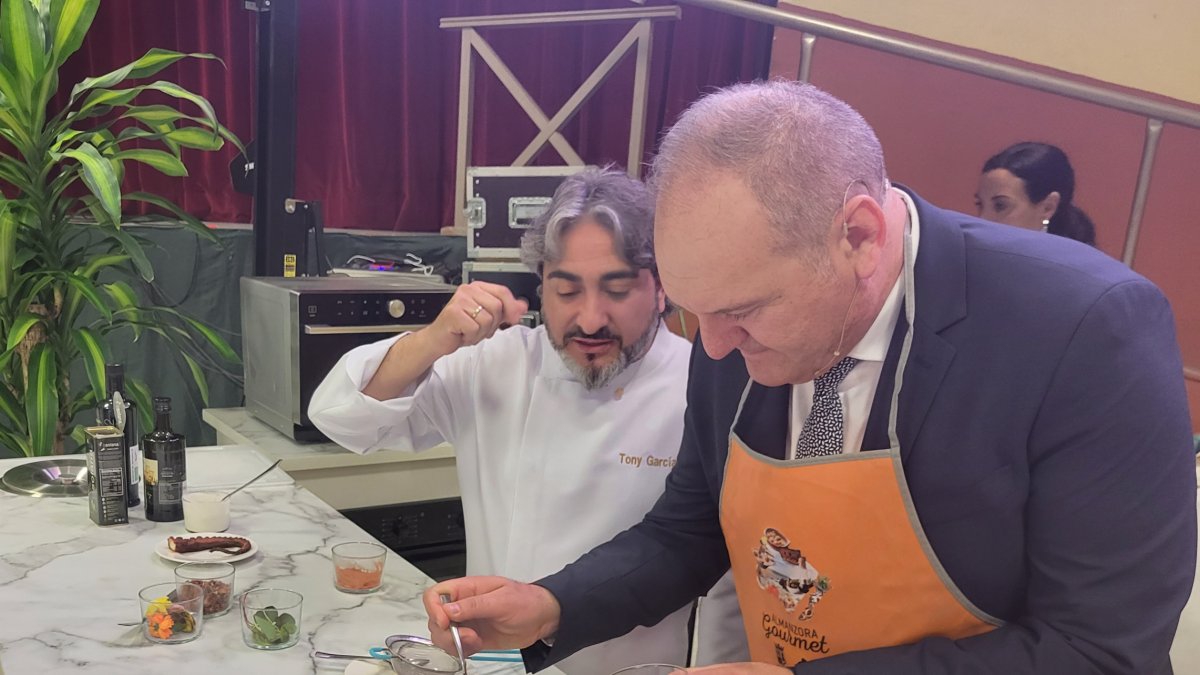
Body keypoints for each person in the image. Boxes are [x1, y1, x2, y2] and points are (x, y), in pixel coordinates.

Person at [422, 81, 1196, 674]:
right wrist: (553, 604)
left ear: (857, 235)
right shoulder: (731, 326)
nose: (716, 350)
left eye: (743, 311)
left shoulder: (1085, 329)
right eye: (694, 315)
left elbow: (1099, 650)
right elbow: (691, 528)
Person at [308, 166, 745, 675]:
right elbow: (342, 417)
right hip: (494, 663)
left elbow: (703, 563)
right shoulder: (498, 363)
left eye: (617, 289)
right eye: (566, 291)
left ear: (662, 287)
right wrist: (434, 338)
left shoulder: (703, 385)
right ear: (540, 287)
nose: (590, 318)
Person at [975, 141, 1097, 245]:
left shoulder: (1071, 270)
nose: (983, 219)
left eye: (1000, 206)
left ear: (1047, 208)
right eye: (980, 205)